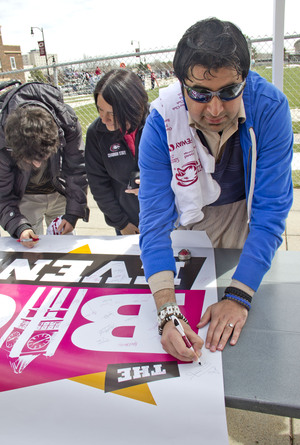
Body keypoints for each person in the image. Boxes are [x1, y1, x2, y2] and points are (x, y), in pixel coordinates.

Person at [138, 18, 293, 361]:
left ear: (246, 80)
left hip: (246, 217)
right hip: (191, 222)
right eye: (200, 94)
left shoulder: (270, 109)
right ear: (180, 87)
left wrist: (239, 296)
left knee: (255, 331)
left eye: (229, 92)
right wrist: (165, 310)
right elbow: (153, 221)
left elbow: (271, 210)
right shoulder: (160, 123)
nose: (215, 108)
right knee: (196, 322)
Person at [0, 82, 89, 248]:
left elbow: (77, 169)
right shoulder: (2, 138)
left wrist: (73, 213)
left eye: (42, 157)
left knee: (65, 246)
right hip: (25, 198)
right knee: (30, 249)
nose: (36, 164)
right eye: (29, 159)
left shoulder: (66, 121)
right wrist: (19, 226)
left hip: (59, 192)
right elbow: (2, 194)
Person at [85, 69, 148, 235]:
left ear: (131, 107)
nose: (103, 119)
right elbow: (98, 184)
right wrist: (121, 223)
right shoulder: (96, 133)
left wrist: (154, 182)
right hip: (130, 223)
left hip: (167, 216)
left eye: (112, 114)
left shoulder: (157, 122)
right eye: (99, 110)